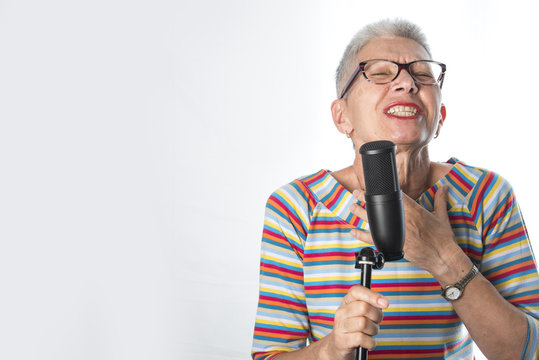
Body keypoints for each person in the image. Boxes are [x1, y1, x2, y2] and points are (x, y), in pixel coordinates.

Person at [251, 19, 539, 360]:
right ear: (341, 116)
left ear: (440, 117)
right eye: (380, 73)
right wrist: (331, 349)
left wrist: (443, 256)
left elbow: (529, 351)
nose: (406, 83)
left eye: (422, 74)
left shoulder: (485, 195)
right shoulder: (296, 206)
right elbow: (270, 355)